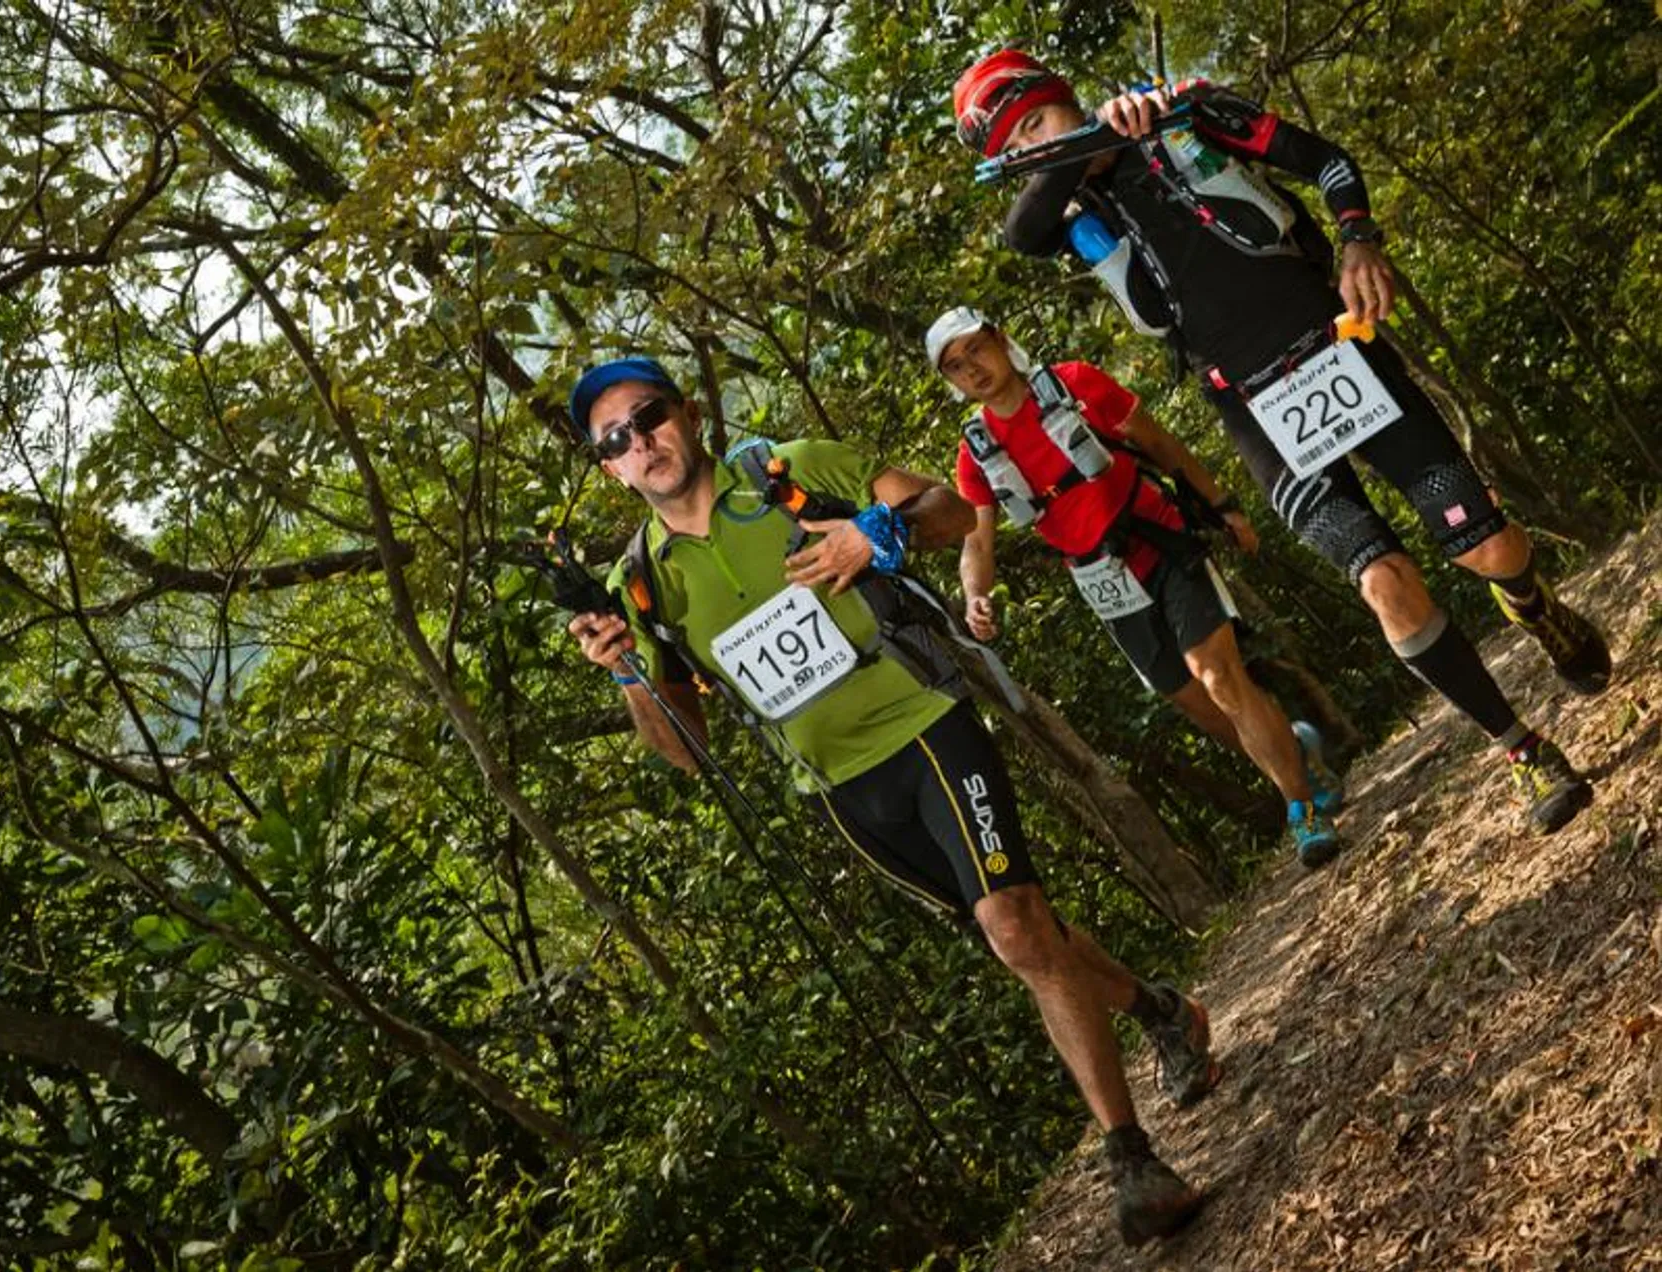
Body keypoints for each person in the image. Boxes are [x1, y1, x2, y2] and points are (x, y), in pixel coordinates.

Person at [564, 354, 1214, 1246]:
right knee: (1020, 939)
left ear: (687, 414)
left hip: (923, 718)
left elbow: (950, 510)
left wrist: (876, 532)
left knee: (1015, 927)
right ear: (610, 469)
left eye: (649, 416)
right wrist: (629, 676)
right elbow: (686, 751)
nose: (640, 442)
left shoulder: (784, 471)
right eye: (615, 440)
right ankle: (1160, 1012)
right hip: (839, 788)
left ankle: (1132, 1160)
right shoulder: (642, 585)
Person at [949, 49, 1612, 834]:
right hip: (1255, 409)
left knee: (1487, 549)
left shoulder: (1185, 112)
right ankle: (1522, 749)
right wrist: (1082, 143)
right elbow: (1020, 231)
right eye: (1016, 148)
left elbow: (1327, 162)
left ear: (1063, 95)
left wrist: (1358, 240)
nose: (1034, 145)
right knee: (1383, 581)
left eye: (1036, 122)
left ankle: (1535, 607)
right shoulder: (1068, 220)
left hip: (1337, 351)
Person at [927, 305, 1347, 866]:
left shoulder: (1073, 383)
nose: (972, 368)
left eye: (975, 349)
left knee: (1220, 677)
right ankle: (1295, 753)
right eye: (956, 365)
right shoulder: (976, 453)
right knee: (1200, 704)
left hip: (1161, 540)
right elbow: (976, 542)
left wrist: (1221, 505)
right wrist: (976, 595)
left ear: (1000, 340)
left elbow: (1159, 443)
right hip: (1101, 580)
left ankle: (1304, 812)